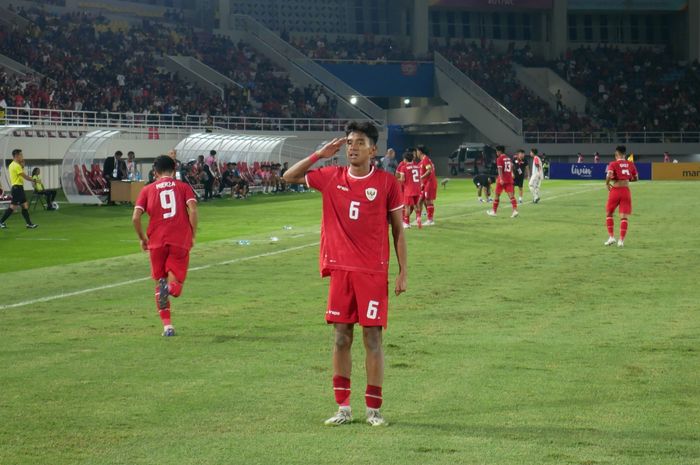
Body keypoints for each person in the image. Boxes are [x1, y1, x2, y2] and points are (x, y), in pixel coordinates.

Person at [282, 121, 407, 427]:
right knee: (340, 338)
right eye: (349, 142)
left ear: (373, 149)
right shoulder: (331, 176)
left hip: (373, 272)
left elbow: (398, 231)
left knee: (373, 338)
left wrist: (403, 272)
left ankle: (374, 410)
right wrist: (319, 155)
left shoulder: (387, 183)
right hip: (342, 271)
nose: (352, 146)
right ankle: (343, 408)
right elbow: (289, 177)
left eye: (359, 142)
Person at [132, 155, 198, 337]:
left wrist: (142, 238)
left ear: (155, 172)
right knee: (174, 287)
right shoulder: (183, 187)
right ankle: (167, 289)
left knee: (159, 282)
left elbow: (135, 217)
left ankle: (167, 327)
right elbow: (193, 209)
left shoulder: (147, 189)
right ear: (174, 169)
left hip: (156, 241)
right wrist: (192, 233)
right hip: (179, 239)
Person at [604, 145, 638, 248]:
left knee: (609, 213)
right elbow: (636, 178)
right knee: (624, 217)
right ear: (624, 154)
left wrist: (607, 183)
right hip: (626, 191)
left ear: (616, 154)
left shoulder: (613, 164)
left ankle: (611, 237)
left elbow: (609, 175)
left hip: (615, 190)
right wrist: (627, 179)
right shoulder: (630, 164)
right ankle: (621, 241)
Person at [0, 149, 38, 229]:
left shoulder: (13, 165)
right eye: (21, 155)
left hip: (18, 188)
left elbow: (21, 171)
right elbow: (25, 176)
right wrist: (34, 180)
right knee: (13, 207)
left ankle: (29, 224)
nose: (22, 156)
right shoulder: (16, 166)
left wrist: (22, 165)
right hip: (17, 188)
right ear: (16, 156)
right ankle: (1, 222)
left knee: (25, 206)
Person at [487, 145, 519, 218]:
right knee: (511, 196)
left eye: (496, 151)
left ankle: (494, 211)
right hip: (509, 179)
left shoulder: (499, 158)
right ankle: (515, 210)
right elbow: (511, 166)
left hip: (502, 180)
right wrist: (512, 173)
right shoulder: (508, 158)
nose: (496, 153)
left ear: (499, 151)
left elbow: (500, 169)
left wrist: (501, 179)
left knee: (497, 195)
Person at [396, 150, 421, 228]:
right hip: (417, 189)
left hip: (409, 189)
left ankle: (406, 223)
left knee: (407, 206)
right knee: (417, 204)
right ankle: (418, 219)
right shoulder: (417, 166)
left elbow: (403, 179)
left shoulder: (404, 167)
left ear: (405, 159)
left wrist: (397, 180)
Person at [416, 145, 437, 226]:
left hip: (430, 183)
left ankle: (430, 220)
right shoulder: (423, 161)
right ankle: (419, 219)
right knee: (420, 200)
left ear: (420, 151)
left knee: (428, 201)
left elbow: (429, 170)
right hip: (425, 183)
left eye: (417, 151)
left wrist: (420, 177)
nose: (417, 153)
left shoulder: (425, 159)